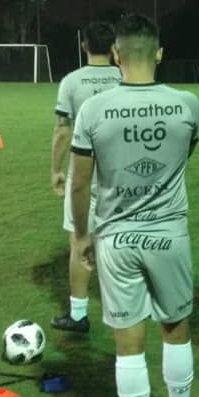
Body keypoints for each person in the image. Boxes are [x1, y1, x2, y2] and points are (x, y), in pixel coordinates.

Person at [69, 13, 199, 397]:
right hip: (168, 235)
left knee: (128, 342)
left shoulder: (93, 110)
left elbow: (80, 184)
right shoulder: (187, 103)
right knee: (176, 327)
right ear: (160, 53)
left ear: (115, 55)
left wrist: (83, 235)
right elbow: (182, 157)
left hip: (116, 237)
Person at [50, 21, 122, 332]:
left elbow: (62, 130)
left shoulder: (71, 82)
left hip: (84, 175)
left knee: (80, 242)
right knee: (119, 243)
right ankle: (123, 310)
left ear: (84, 46)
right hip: (121, 176)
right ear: (114, 47)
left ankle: (78, 316)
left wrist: (55, 169)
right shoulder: (126, 77)